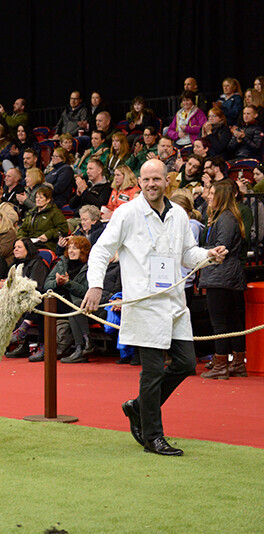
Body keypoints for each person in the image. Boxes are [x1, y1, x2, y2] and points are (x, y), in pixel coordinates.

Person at [82, 159, 228, 456]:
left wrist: (208, 256)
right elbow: (100, 251)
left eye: (157, 179)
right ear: (140, 181)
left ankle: (138, 407)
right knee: (151, 372)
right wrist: (95, 285)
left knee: (186, 364)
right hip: (144, 305)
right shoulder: (126, 213)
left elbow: (188, 253)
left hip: (174, 303)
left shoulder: (178, 215)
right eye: (146, 179)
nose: (151, 184)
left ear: (166, 181)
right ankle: (153, 437)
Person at [199, 180, 247, 379]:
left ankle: (221, 363)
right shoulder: (225, 217)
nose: (208, 196)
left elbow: (221, 247)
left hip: (221, 274)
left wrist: (198, 253)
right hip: (225, 274)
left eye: (212, 193)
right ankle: (235, 362)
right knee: (231, 320)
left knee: (219, 321)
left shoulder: (225, 218)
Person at [45, 236, 92, 363]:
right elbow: (46, 284)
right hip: (61, 301)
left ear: (83, 251)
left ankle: (81, 347)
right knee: (39, 304)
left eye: (75, 248)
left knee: (75, 307)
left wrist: (68, 283)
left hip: (80, 302)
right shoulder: (62, 263)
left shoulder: (89, 267)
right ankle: (42, 346)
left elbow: (86, 291)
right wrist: (57, 282)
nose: (71, 251)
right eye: (69, 248)